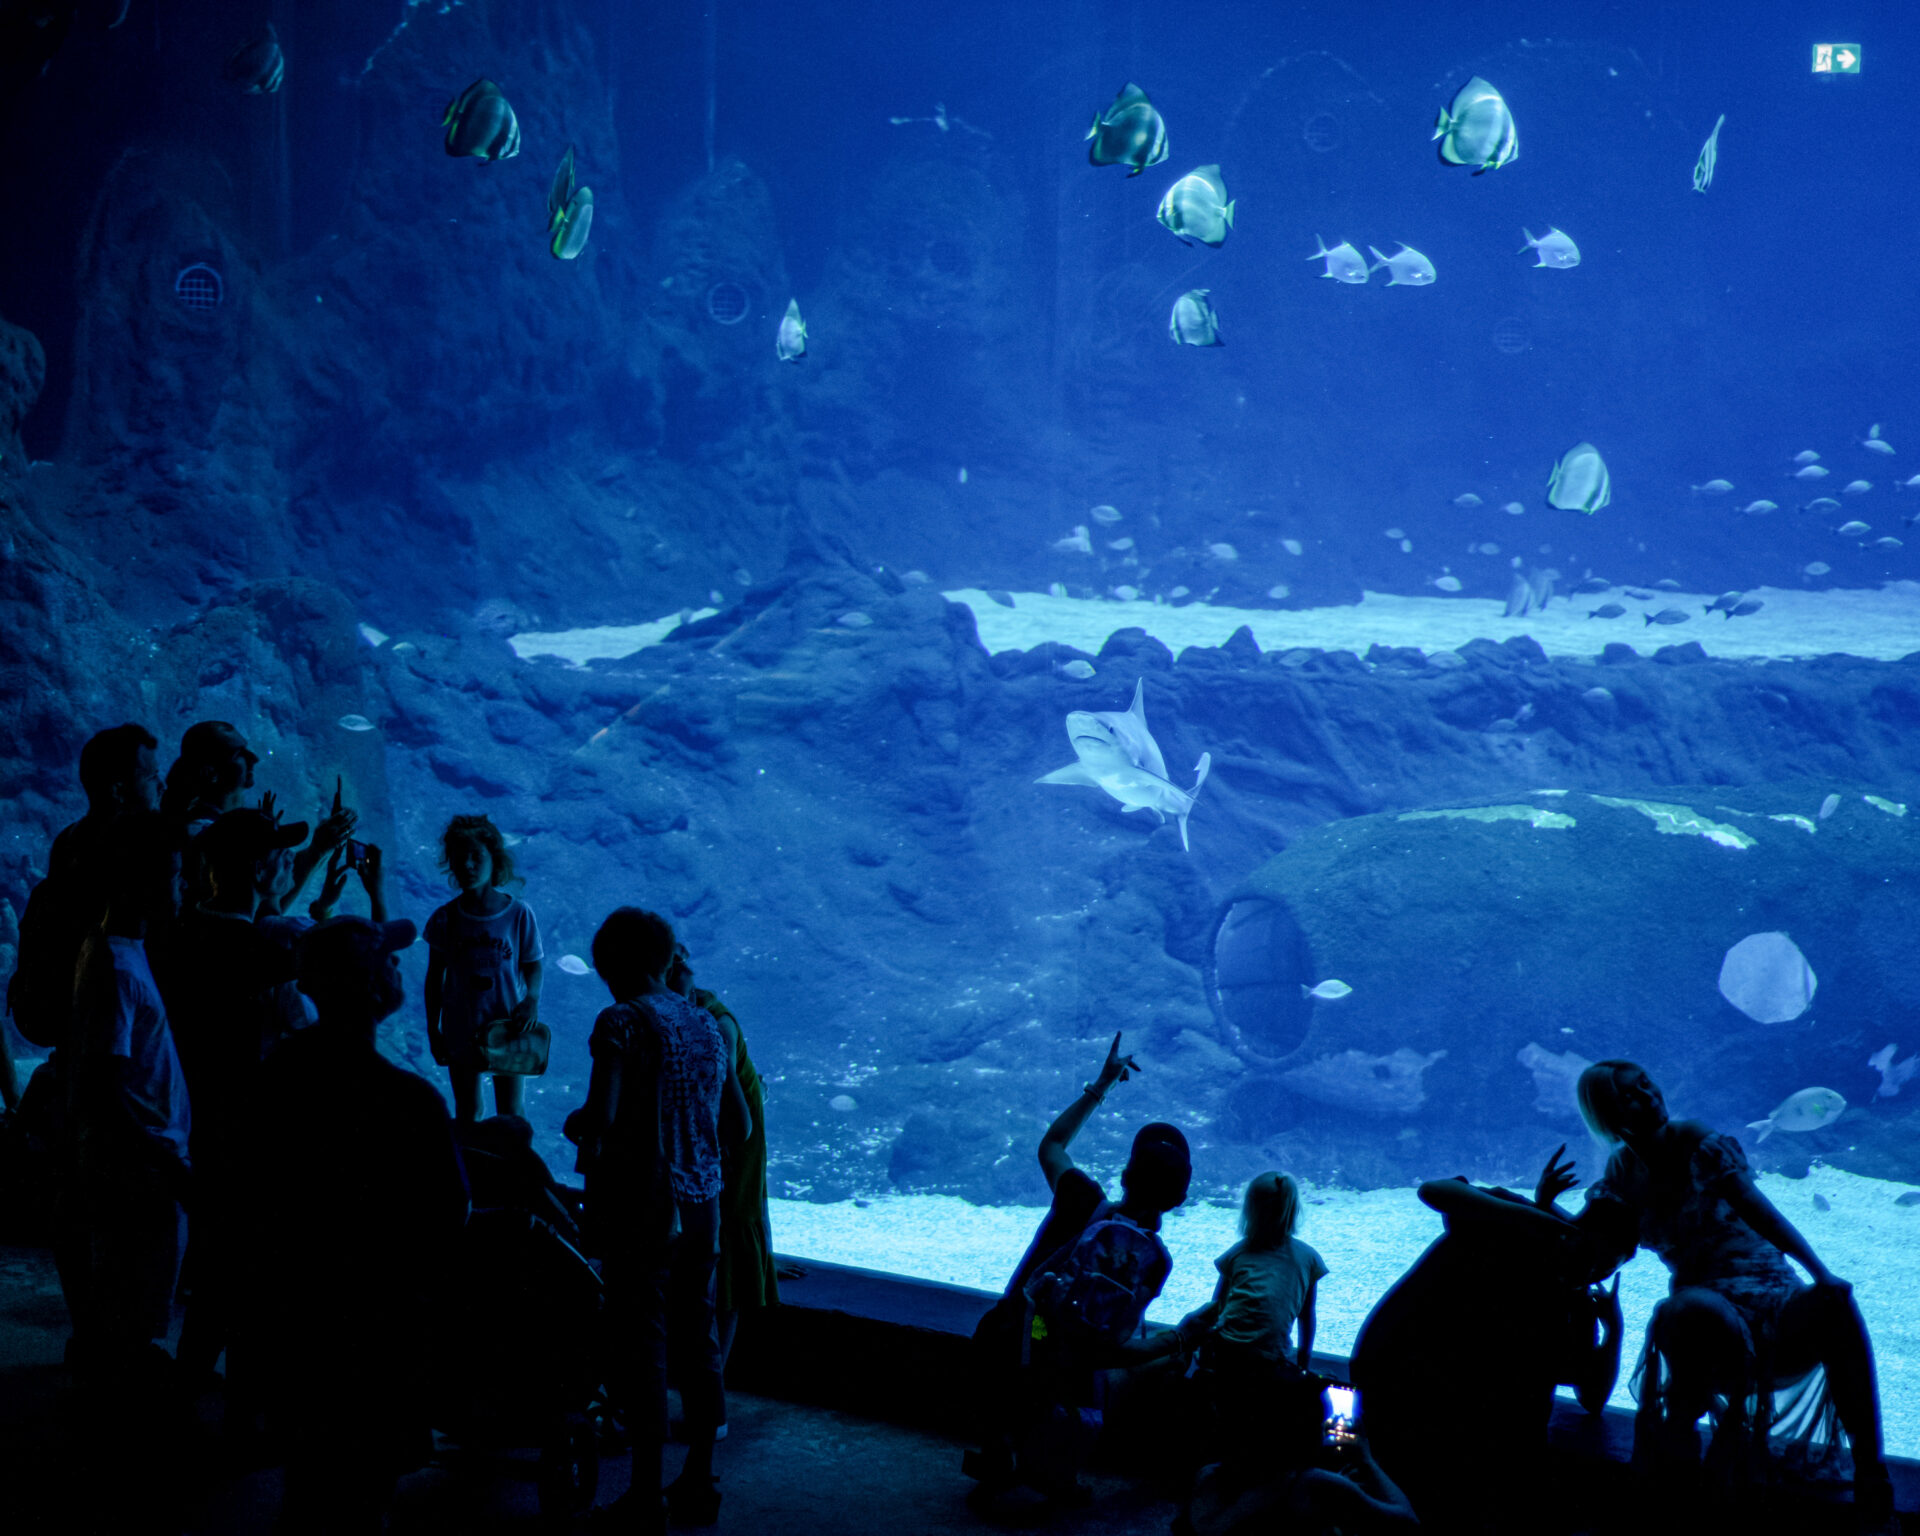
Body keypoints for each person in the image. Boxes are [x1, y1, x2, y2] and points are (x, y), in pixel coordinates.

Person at [1571, 1060, 1894, 1529]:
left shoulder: (1695, 1140)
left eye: (1646, 1083)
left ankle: (1871, 1471)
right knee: (1686, 1310)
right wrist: (1542, 1206)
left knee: (1835, 1303)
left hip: (1776, 1303)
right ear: (1607, 1112)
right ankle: (1684, 1481)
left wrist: (1821, 1273)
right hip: (1705, 1316)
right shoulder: (1621, 1173)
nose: (1648, 1095)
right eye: (1629, 1095)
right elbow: (1599, 1246)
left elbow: (1759, 1209)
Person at [231, 916, 468, 1536]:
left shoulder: (275, 1076)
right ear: (366, 983)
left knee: (307, 1482)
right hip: (378, 1330)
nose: (397, 965)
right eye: (386, 959)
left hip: (295, 1319)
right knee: (365, 1494)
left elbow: (247, 1197)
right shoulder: (409, 1101)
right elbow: (449, 1214)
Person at [964, 1032, 1200, 1507]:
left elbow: (1052, 1144)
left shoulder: (1078, 1197)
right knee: (1136, 1365)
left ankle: (999, 1445)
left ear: (1125, 1175)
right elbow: (1116, 1344)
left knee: (1020, 1333)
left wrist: (1102, 1084)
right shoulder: (1155, 1261)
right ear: (1178, 1200)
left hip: (1011, 1339)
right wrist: (1179, 1340)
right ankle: (1057, 1468)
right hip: (1069, 1371)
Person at [572, 907, 751, 1532]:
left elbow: (603, 1116)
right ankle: (699, 1481)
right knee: (699, 1338)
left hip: (640, 1207)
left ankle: (645, 1495)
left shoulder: (620, 1021)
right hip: (702, 1208)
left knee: (643, 1345)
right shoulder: (704, 1021)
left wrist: (578, 1124)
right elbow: (739, 1127)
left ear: (610, 965)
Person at [1349, 1150, 1626, 1533]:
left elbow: (1592, 1398)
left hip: (1468, 1425)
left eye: (1606, 1268)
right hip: (1408, 1388)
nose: (1592, 1272)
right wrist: (1537, 1214)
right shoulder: (1513, 1225)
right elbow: (1434, 1191)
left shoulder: (1576, 1298)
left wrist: (1614, 1329)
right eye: (1591, 1257)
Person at [146, 807, 310, 1379]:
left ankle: (191, 1380)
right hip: (242, 1127)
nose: (289, 863)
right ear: (261, 868)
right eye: (282, 856)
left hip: (191, 1116)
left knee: (218, 1258)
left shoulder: (180, 932)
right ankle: (227, 1396)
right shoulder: (256, 951)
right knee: (244, 1264)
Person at [65, 810, 191, 1376]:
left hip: (142, 1158)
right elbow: (103, 1082)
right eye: (173, 875)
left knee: (128, 1291)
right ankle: (121, 1395)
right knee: (131, 1298)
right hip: (138, 1164)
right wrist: (161, 1157)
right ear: (137, 882)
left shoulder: (118, 947)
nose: (182, 888)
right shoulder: (117, 966)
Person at [667, 940, 780, 1383]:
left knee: (733, 1227)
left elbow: (734, 1111)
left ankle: (713, 1378)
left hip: (729, 1134)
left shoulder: (715, 1022)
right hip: (709, 1129)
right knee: (722, 1232)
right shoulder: (676, 1012)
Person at [1179, 1171, 1329, 1477]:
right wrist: (1304, 1362)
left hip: (1227, 1354)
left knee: (1228, 1417)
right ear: (1293, 1211)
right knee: (1259, 1421)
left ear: (1249, 1210)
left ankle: (1216, 1463)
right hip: (1272, 1359)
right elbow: (1307, 1314)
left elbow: (1215, 1307)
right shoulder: (1308, 1257)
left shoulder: (1239, 1252)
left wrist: (1200, 1350)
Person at [424, 814, 543, 1121]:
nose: (467, 865)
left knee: (511, 1112)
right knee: (467, 1110)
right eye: (459, 857)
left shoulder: (518, 914)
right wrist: (433, 1029)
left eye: (476, 856)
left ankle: (513, 1155)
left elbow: (533, 964)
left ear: (494, 859)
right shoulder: (444, 918)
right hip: (459, 1026)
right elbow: (434, 978)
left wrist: (531, 999)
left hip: (508, 1026)